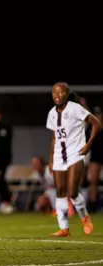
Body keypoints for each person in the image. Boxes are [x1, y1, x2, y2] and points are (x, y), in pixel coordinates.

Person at [46, 82, 101, 237]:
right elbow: (54, 137)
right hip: (59, 156)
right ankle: (64, 228)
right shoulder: (51, 113)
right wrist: (51, 159)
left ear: (67, 94)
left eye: (60, 93)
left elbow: (97, 123)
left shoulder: (75, 108)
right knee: (60, 191)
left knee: (72, 191)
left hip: (76, 153)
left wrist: (89, 145)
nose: (57, 96)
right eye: (54, 93)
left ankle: (85, 217)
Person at [88, 106, 103, 212]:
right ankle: (93, 204)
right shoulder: (91, 128)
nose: (97, 116)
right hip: (95, 156)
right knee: (93, 181)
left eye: (99, 114)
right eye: (95, 115)